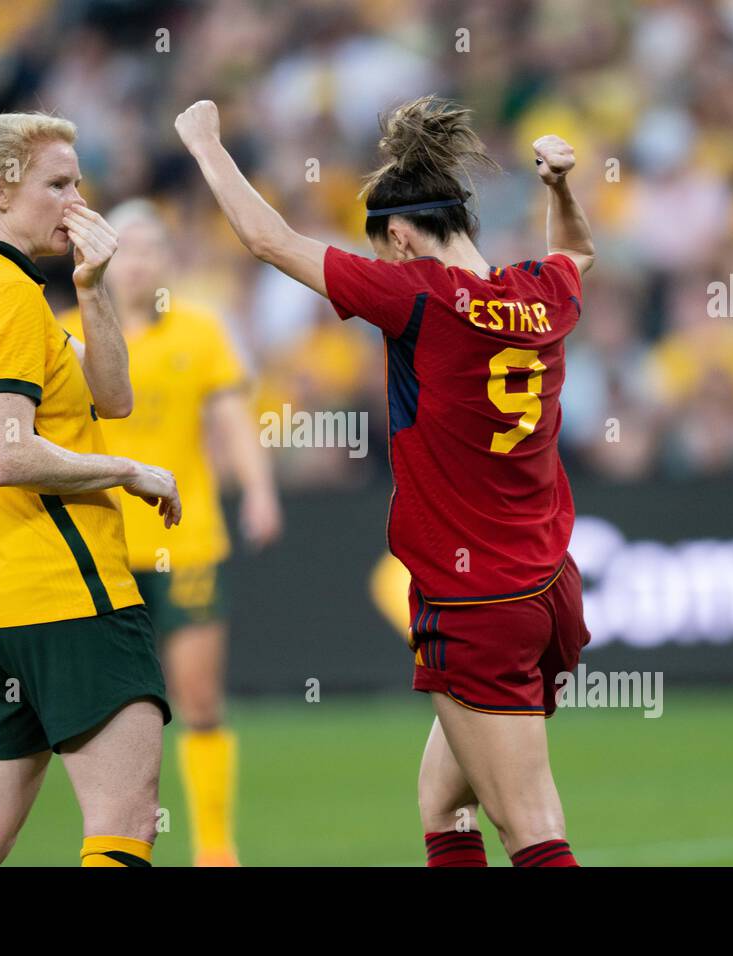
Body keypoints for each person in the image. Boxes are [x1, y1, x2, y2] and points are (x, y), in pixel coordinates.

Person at [175, 94, 594, 867]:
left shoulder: (419, 296)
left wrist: (204, 145)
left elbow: (267, 239)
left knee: (530, 826)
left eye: (387, 245)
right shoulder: (542, 294)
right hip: (547, 590)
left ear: (400, 234)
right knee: (445, 804)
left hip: (475, 603)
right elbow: (579, 254)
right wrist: (560, 189)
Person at [0, 111, 182, 868]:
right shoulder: (4, 295)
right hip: (69, 596)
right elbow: (9, 453)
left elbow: (112, 395)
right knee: (125, 827)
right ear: (0, 190)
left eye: (80, 182)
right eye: (59, 185)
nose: (79, 201)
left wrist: (92, 287)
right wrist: (129, 471)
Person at [56, 199, 282, 866]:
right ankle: (114, 838)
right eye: (128, 248)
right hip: (100, 547)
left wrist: (261, 494)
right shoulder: (69, 333)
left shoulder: (201, 331)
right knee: (110, 712)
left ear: (168, 261)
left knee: (200, 699)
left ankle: (215, 848)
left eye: (154, 247)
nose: (141, 261)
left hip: (186, 541)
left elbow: (235, 417)